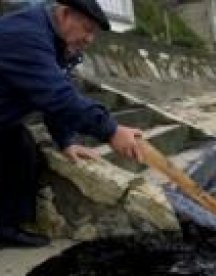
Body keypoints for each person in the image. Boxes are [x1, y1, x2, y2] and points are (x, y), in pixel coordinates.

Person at [0, 0, 144, 247]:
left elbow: (58, 92)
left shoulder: (58, 41)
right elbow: (56, 96)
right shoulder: (26, 36)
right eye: (87, 28)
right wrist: (111, 130)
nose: (89, 39)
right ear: (66, 14)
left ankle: (6, 226)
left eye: (93, 33)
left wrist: (65, 141)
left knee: (24, 155)